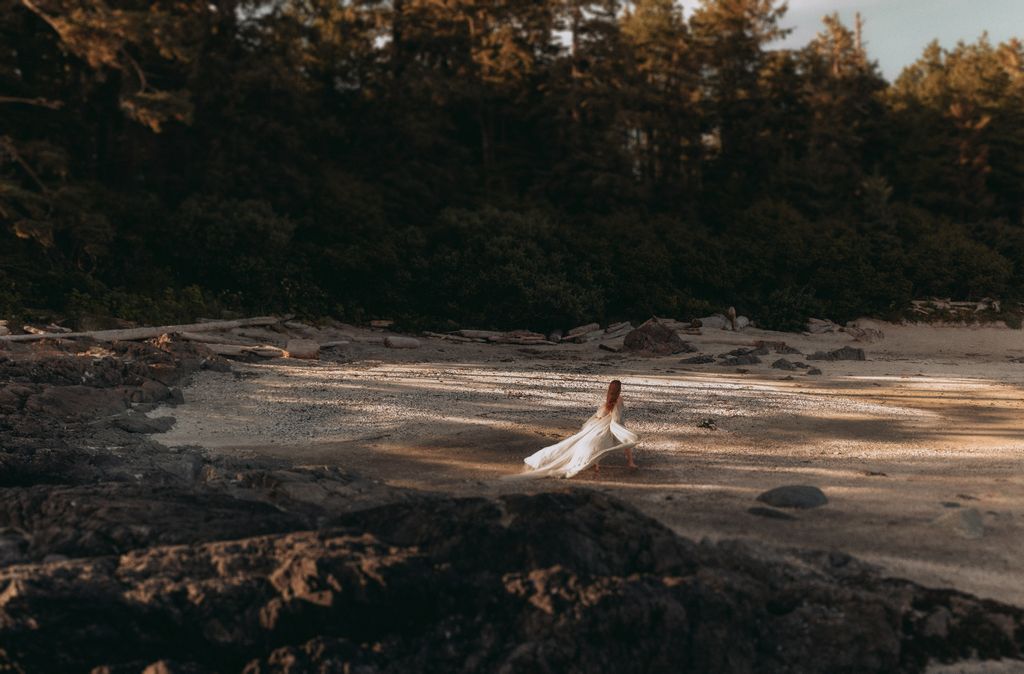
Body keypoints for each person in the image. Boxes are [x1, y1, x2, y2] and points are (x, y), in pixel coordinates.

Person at [517, 380, 639, 479]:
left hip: (598, 424)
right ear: (619, 390)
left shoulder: (607, 400)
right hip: (609, 425)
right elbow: (617, 418)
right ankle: (630, 462)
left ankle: (597, 465)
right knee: (625, 440)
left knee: (591, 443)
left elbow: (600, 414)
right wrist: (618, 427)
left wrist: (602, 417)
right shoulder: (619, 400)